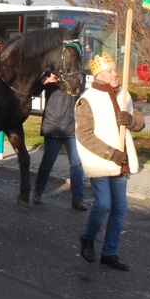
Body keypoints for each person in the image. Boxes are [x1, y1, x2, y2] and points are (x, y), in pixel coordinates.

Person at [76, 52, 145, 272]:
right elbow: (84, 135)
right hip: (101, 161)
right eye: (110, 70)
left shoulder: (124, 94)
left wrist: (132, 121)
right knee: (104, 204)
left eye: (116, 69)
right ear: (99, 75)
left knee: (120, 208)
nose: (115, 73)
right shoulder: (87, 99)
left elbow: (140, 121)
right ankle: (87, 237)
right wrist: (111, 153)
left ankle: (109, 252)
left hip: (122, 161)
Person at [33, 71, 88, 211]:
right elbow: (33, 92)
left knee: (76, 165)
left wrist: (60, 80)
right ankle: (38, 192)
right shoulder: (49, 74)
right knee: (47, 163)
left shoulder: (76, 75)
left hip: (71, 128)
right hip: (53, 128)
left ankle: (77, 199)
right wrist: (42, 81)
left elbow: (77, 88)